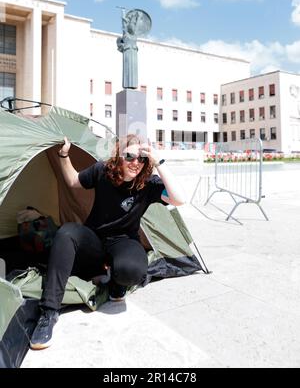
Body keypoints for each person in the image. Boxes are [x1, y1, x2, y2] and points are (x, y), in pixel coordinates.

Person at [30, 134, 186, 350]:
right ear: (118, 156)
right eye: (129, 156)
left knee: (133, 270)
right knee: (66, 233)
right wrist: (63, 155)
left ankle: (115, 282)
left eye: (142, 159)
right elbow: (73, 181)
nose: (135, 163)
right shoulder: (102, 171)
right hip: (94, 239)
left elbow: (179, 199)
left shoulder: (148, 184)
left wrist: (158, 162)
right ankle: (48, 312)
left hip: (124, 241)